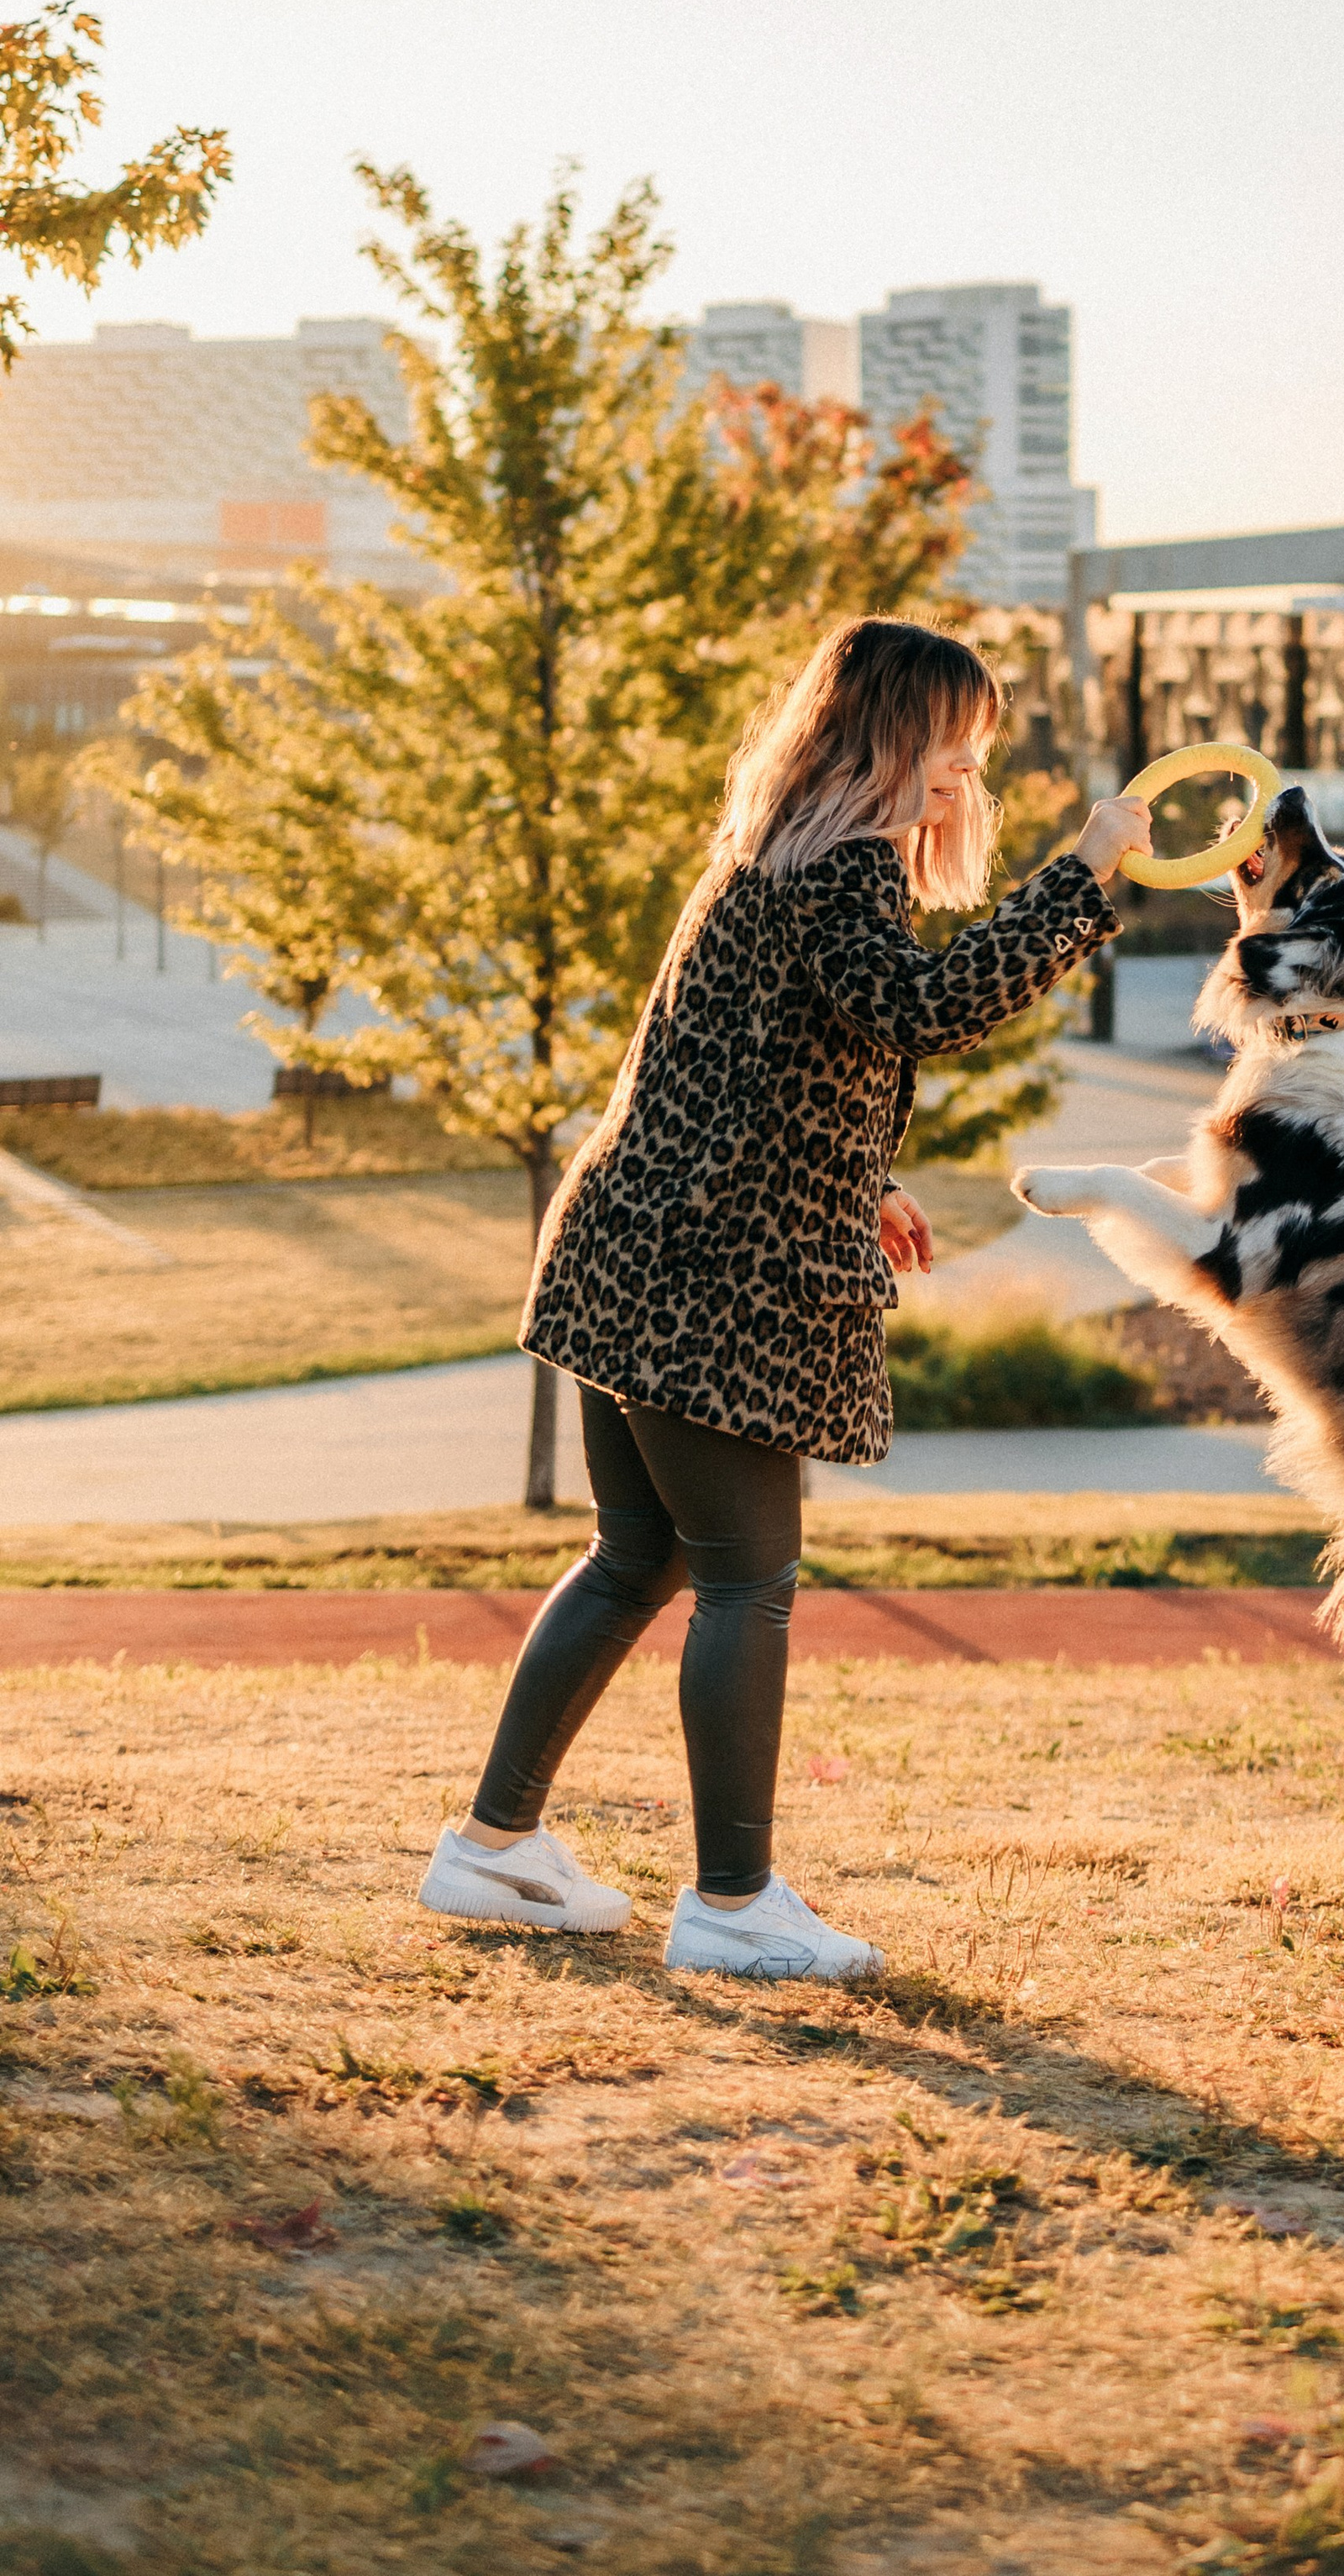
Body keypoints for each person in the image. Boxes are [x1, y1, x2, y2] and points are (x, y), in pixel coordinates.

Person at [417, 617, 1150, 1982]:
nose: (968, 769)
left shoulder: (771, 851)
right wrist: (1085, 875)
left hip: (632, 1244)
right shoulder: (845, 865)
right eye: (953, 741)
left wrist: (866, 1178)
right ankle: (732, 1903)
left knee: (637, 1557)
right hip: (716, 1279)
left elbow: (760, 1058)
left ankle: (494, 1845)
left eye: (977, 747)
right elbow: (926, 1007)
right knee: (747, 1579)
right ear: (888, 736)